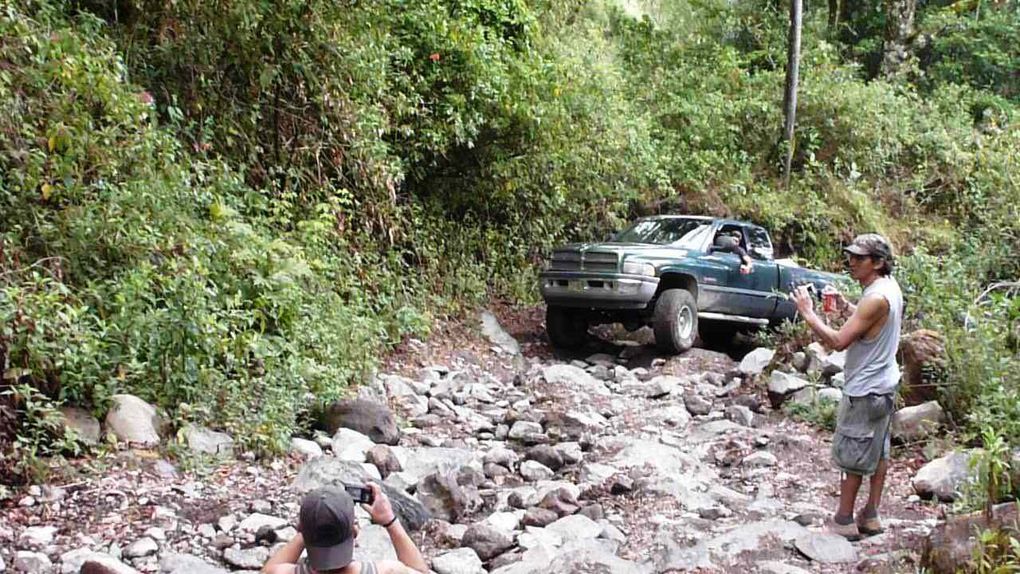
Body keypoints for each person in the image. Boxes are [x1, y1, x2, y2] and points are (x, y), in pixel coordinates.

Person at [791, 233, 903, 541]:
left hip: (865, 389)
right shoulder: (887, 290)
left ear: (878, 263)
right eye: (850, 255)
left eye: (859, 258)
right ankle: (871, 515)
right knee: (879, 451)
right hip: (885, 384)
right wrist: (847, 306)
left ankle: (843, 519)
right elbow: (871, 323)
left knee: (853, 452)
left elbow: (838, 341)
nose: (851, 262)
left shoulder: (876, 297)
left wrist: (807, 312)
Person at [262, 483, 428, 574]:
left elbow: (267, 571)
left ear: (302, 529)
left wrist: (308, 529)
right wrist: (390, 521)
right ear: (355, 531)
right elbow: (420, 571)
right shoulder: (388, 571)